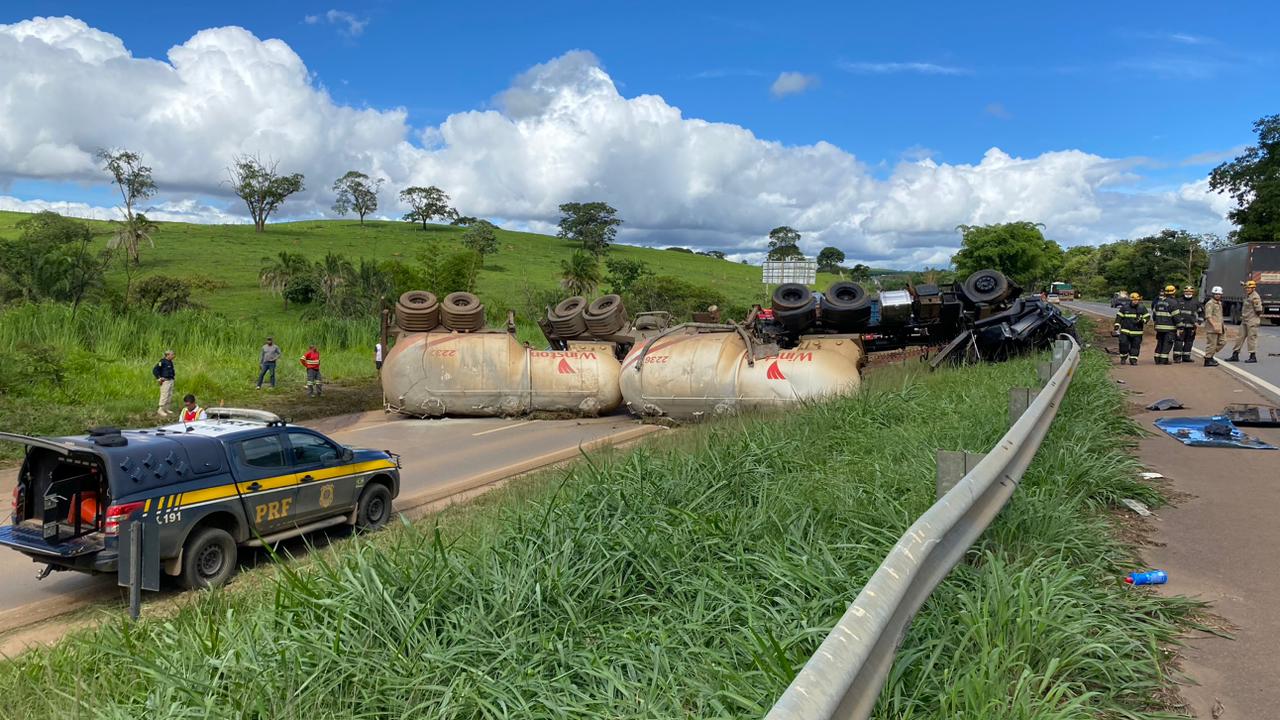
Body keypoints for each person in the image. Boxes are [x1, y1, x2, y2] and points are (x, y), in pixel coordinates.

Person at [1227, 279, 1264, 363]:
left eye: (1249, 288)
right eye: (1246, 288)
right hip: (1244, 320)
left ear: (1253, 288)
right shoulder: (1248, 295)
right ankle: (1235, 354)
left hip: (1252, 320)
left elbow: (1259, 310)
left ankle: (1252, 356)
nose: (1247, 289)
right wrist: (1243, 284)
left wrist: (1254, 318)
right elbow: (1245, 285)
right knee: (1240, 337)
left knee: (1251, 338)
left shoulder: (1255, 297)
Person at [1114, 292, 1149, 366]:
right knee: (1123, 344)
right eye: (1134, 300)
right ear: (1131, 300)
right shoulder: (1125, 307)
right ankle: (1123, 357)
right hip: (1125, 331)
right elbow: (1119, 317)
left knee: (1135, 346)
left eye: (1137, 300)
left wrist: (1142, 320)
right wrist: (1117, 325)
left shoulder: (1142, 308)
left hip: (1137, 332)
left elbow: (1147, 317)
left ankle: (1133, 360)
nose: (1135, 301)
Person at [1151, 285, 1179, 365]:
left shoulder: (1158, 302)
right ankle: (1163, 360)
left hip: (1159, 328)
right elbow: (1176, 317)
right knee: (1167, 344)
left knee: (1160, 343)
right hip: (1169, 328)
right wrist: (1180, 326)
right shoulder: (1173, 302)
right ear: (1174, 292)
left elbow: (1154, 316)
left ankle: (1157, 359)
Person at [1173, 286, 1201, 363]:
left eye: (1190, 292)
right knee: (1178, 341)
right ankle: (1177, 357)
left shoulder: (1196, 302)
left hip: (1191, 327)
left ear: (1193, 293)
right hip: (1180, 326)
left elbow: (1201, 312)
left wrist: (1199, 321)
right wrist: (1177, 322)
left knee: (1189, 342)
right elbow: (1174, 312)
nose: (1188, 293)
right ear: (1184, 292)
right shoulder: (1178, 301)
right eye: (1186, 291)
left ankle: (1186, 357)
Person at [1203, 286, 1225, 367]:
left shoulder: (1219, 303)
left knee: (1223, 342)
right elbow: (1208, 316)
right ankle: (1208, 359)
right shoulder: (1210, 303)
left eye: (1219, 294)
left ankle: (1210, 355)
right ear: (1213, 294)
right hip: (1212, 328)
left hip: (1220, 327)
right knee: (1212, 344)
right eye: (1216, 294)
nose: (1217, 295)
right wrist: (1214, 325)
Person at [152, 350, 176, 417]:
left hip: (171, 380)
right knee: (164, 395)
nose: (173, 356)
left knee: (169, 395)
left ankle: (166, 408)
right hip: (165, 381)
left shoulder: (170, 362)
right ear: (167, 355)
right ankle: (160, 409)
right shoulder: (162, 362)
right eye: (172, 354)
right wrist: (159, 378)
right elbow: (155, 370)